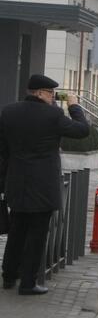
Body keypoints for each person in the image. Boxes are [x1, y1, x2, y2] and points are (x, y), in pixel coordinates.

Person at [0, 75, 90, 295]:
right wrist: (74, 106)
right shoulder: (53, 115)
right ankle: (29, 283)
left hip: (17, 181)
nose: (52, 98)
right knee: (37, 233)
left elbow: (3, 150)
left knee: (17, 229)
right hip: (43, 184)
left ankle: (9, 276)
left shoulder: (8, 112)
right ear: (40, 93)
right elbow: (82, 130)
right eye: (50, 93)